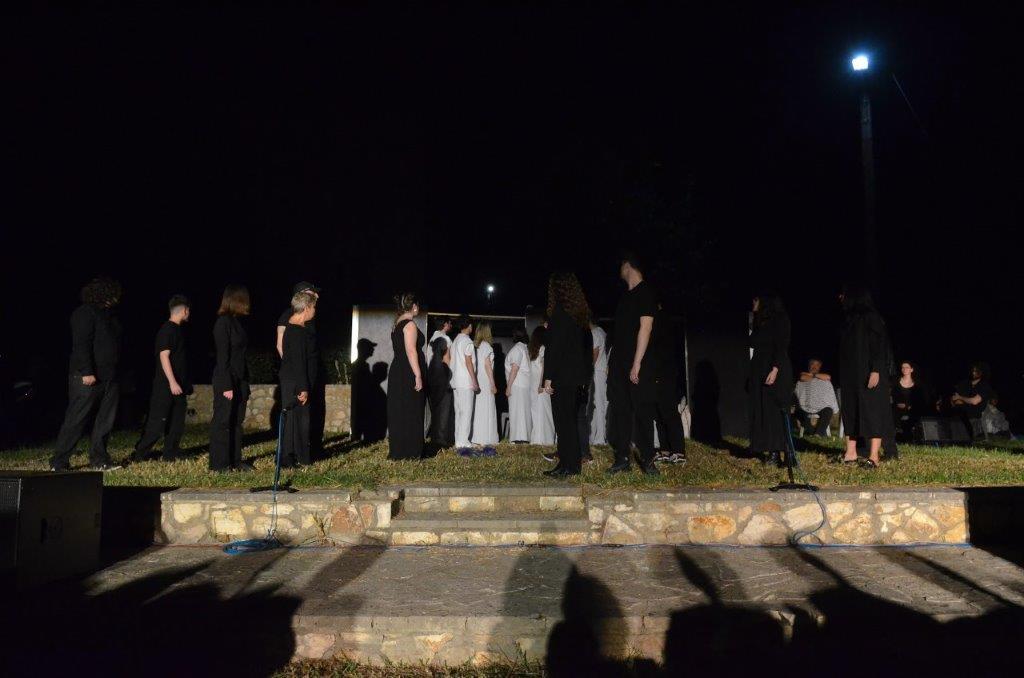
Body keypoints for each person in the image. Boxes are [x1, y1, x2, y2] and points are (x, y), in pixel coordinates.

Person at [50, 276, 124, 472]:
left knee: (105, 421)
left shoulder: (110, 316)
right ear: (104, 293)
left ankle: (99, 459)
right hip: (87, 377)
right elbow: (81, 344)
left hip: (110, 377)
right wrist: (87, 371)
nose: (117, 298)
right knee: (77, 418)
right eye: (114, 294)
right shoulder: (84, 313)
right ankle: (59, 461)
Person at [607, 252, 660, 475]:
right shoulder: (625, 297)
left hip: (636, 362)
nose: (619, 269)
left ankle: (647, 459)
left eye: (621, 265)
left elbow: (646, 327)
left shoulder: (645, 292)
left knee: (641, 409)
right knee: (620, 409)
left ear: (628, 265)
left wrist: (637, 363)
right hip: (619, 363)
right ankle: (622, 458)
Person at [541, 273, 594, 477]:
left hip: (562, 377)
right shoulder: (579, 315)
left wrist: (548, 377)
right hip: (576, 377)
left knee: (563, 422)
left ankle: (568, 465)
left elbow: (554, 348)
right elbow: (585, 350)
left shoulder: (559, 313)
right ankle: (569, 464)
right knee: (569, 421)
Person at [839, 283, 895, 467]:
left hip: (869, 372)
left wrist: (876, 370)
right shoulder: (849, 320)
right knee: (851, 411)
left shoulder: (872, 317)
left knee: (872, 412)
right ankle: (851, 453)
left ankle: (874, 456)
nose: (840, 297)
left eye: (844, 294)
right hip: (851, 375)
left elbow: (879, 346)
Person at [131, 294, 192, 463]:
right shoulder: (167, 330)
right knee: (157, 423)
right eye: (189, 310)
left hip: (179, 386)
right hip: (165, 386)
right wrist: (172, 382)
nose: (189, 313)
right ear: (185, 310)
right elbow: (164, 356)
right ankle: (139, 454)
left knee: (177, 422)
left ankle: (170, 453)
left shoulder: (178, 330)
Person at [210, 284, 253, 472]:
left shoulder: (236, 322)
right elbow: (222, 357)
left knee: (237, 421)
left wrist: (244, 383)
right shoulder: (223, 323)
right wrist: (227, 385)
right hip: (226, 379)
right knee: (223, 421)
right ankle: (219, 464)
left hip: (239, 379)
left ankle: (235, 460)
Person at [277, 281, 323, 457]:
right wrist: (302, 387)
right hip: (295, 380)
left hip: (300, 379)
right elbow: (297, 360)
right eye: (313, 307)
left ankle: (300, 454)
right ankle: (291, 456)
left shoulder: (301, 327)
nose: (315, 310)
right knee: (295, 420)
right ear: (306, 308)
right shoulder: (295, 329)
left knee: (301, 419)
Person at [747, 292, 794, 465]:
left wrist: (775, 369)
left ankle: (786, 452)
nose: (753, 303)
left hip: (775, 369)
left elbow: (781, 346)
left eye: (756, 299)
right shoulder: (760, 322)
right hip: (760, 369)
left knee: (777, 411)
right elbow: (752, 342)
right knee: (766, 412)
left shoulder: (780, 319)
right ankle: (773, 451)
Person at [386, 293, 427, 460]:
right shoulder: (409, 324)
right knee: (412, 408)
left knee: (399, 409)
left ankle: (399, 449)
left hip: (397, 370)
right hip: (408, 371)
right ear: (414, 306)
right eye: (418, 306)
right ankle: (411, 450)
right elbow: (411, 351)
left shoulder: (396, 323)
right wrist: (418, 375)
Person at [649, 305, 687, 464]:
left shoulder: (663, 321)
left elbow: (664, 351)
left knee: (668, 412)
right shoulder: (654, 321)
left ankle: (678, 450)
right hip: (657, 374)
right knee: (658, 413)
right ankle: (665, 449)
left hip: (665, 374)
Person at [450, 315, 479, 453]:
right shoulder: (467, 341)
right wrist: (474, 380)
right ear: (469, 326)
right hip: (465, 381)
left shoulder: (455, 340)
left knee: (459, 412)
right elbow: (468, 362)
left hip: (455, 381)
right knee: (466, 412)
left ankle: (458, 440)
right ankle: (464, 442)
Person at [426, 317, 455, 448]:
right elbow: (447, 359)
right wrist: (451, 378)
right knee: (444, 409)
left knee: (435, 409)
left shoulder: (432, 339)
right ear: (445, 324)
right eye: (450, 323)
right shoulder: (445, 339)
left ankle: (434, 438)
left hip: (431, 378)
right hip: (442, 377)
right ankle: (441, 440)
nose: (451, 325)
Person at [793, 358, 839, 437]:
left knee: (828, 410)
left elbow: (828, 377)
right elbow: (802, 377)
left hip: (821, 405)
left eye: (817, 365)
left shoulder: (822, 376)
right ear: (809, 366)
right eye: (812, 364)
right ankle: (812, 431)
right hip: (805, 405)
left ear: (820, 367)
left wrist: (813, 375)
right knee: (799, 411)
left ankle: (818, 433)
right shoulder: (804, 375)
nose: (814, 367)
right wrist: (812, 376)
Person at [471, 321, 499, 450]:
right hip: (486, 381)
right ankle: (487, 437)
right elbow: (488, 366)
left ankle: (477, 436)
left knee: (478, 408)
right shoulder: (487, 347)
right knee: (487, 407)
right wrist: (493, 383)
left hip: (478, 380)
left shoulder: (476, 347)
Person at [951, 362, 994, 439]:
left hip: (975, 419)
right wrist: (966, 400)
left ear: (982, 372)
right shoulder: (964, 383)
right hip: (959, 418)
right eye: (973, 370)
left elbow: (974, 401)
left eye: (976, 371)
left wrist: (961, 398)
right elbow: (955, 401)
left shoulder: (984, 386)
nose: (973, 373)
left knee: (973, 440)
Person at [504, 327, 532, 443]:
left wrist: (508, 387)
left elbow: (514, 369)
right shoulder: (524, 348)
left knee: (517, 411)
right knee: (523, 412)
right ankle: (524, 437)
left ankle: (518, 437)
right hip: (524, 385)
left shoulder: (517, 349)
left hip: (517, 385)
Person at [528, 325, 555, 445]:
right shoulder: (543, 349)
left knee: (539, 410)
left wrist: (539, 384)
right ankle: (544, 438)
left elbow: (541, 367)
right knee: (543, 411)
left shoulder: (534, 351)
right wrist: (541, 384)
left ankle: (539, 438)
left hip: (536, 383)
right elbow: (544, 367)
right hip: (539, 383)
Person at [893, 361, 929, 440]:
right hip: (897, 409)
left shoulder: (918, 384)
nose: (904, 369)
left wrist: (909, 406)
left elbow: (922, 400)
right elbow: (893, 396)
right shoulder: (896, 382)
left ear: (911, 369)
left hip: (912, 409)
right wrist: (897, 404)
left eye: (907, 367)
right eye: (903, 367)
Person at [589, 322, 609, 445]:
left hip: (597, 371)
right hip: (602, 371)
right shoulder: (602, 331)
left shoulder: (595, 333)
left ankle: (600, 437)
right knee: (599, 405)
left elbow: (594, 352)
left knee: (599, 405)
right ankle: (595, 437)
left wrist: (588, 369)